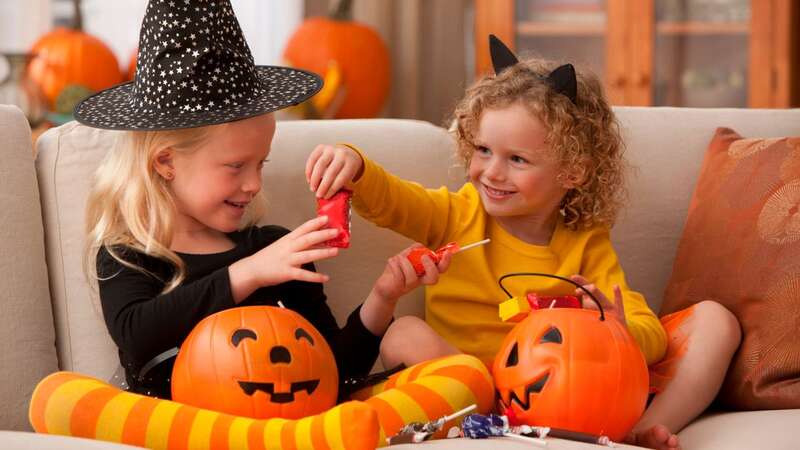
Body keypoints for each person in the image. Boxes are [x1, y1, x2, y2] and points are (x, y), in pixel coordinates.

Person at [78, 0, 493, 445]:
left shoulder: (276, 247)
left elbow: (333, 370)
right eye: (236, 166)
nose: (254, 184)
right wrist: (250, 273)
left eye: (262, 163)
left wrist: (384, 296)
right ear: (165, 162)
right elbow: (138, 335)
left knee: (451, 372)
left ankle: (337, 433)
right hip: (187, 428)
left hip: (297, 425)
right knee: (65, 395)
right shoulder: (128, 252)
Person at [305, 35, 741, 450]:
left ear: (572, 172)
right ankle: (504, 419)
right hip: (471, 385)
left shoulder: (584, 243)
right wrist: (354, 163)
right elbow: (392, 200)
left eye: (516, 160)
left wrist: (618, 328)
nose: (492, 173)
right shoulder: (456, 215)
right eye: (483, 151)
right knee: (403, 334)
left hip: (565, 393)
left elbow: (649, 333)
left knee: (717, 321)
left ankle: (642, 430)